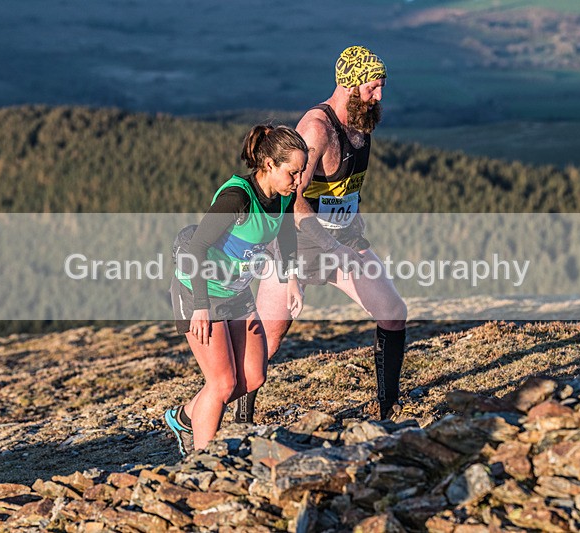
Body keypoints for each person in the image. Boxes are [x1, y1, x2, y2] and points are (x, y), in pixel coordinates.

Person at [234, 45, 408, 424]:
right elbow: (291, 198)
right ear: (349, 85)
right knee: (267, 337)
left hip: (345, 242)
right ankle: (241, 421)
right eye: (373, 88)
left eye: (381, 88)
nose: (379, 96)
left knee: (393, 313)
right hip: (297, 245)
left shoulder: (360, 122)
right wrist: (311, 254)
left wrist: (346, 233)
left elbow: (346, 189)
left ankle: (389, 413)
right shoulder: (316, 129)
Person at [165, 124, 307, 456]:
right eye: (293, 173)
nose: (299, 181)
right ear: (269, 165)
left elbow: (285, 238)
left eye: (301, 173)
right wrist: (200, 306)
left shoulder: (283, 197)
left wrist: (291, 280)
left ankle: (184, 417)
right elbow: (196, 247)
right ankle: (202, 462)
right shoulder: (238, 197)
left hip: (236, 293)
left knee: (253, 377)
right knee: (222, 384)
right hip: (199, 292)